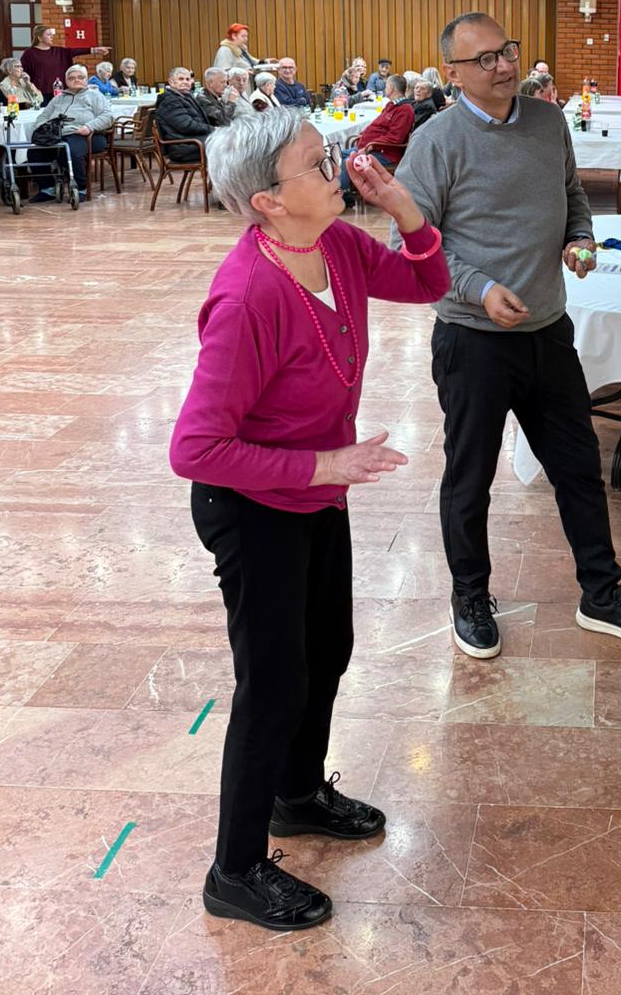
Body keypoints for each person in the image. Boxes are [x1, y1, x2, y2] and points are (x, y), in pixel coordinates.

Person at [170, 109, 449, 931]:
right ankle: (235, 870)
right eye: (317, 164)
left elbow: (426, 284)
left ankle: (296, 795)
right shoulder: (249, 295)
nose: (338, 171)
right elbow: (196, 448)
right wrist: (328, 464)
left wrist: (402, 208)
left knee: (327, 649)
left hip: (316, 492)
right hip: (250, 505)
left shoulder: (337, 246)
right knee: (273, 683)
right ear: (268, 200)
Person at [395, 12, 621, 660]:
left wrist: (579, 237)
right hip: (473, 341)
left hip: (548, 332)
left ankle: (601, 594)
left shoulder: (549, 121)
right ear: (453, 73)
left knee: (578, 470)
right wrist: (479, 289)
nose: (503, 65)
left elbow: (571, 193)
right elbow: (410, 245)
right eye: (484, 58)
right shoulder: (436, 141)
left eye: (507, 50)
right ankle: (470, 596)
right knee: (470, 479)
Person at [25, 64, 113, 199]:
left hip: (86, 134)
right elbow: (43, 116)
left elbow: (108, 116)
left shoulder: (95, 95)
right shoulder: (58, 98)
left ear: (86, 79)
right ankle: (47, 189)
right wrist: (45, 128)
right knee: (35, 152)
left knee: (72, 151)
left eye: (80, 77)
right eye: (72, 78)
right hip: (58, 135)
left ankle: (81, 189)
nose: (76, 80)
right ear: (66, 81)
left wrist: (89, 126)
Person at [339, 76, 414, 207]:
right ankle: (336, 191)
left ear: (392, 88)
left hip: (385, 153)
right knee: (338, 155)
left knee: (348, 161)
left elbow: (395, 138)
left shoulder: (405, 109)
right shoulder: (391, 105)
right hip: (371, 148)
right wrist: (364, 137)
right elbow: (377, 125)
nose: (385, 88)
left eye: (387, 86)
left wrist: (370, 146)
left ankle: (343, 196)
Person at [21, 24, 110, 102]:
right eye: (48, 35)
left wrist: (95, 50)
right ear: (39, 38)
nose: (52, 37)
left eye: (52, 34)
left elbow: (76, 51)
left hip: (61, 91)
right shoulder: (29, 54)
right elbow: (24, 73)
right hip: (41, 93)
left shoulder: (59, 51)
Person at [156, 66, 217, 161]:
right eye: (181, 79)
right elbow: (186, 126)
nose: (185, 82)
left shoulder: (186, 96)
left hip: (193, 141)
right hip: (182, 146)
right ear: (171, 81)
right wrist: (214, 129)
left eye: (187, 79)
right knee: (227, 144)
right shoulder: (170, 101)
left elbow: (202, 121)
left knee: (230, 140)